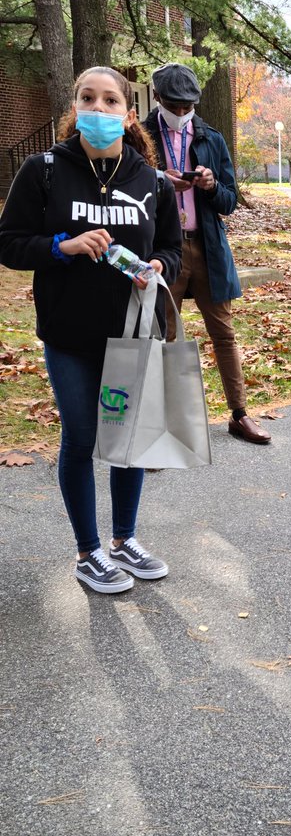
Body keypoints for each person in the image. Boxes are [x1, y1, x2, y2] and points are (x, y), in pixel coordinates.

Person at [0, 67, 182, 594]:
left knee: (128, 441)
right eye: (87, 98)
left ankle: (124, 540)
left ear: (129, 114)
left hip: (131, 334)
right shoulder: (45, 171)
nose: (98, 109)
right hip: (69, 336)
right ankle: (89, 552)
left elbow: (170, 246)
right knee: (80, 438)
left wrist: (161, 267)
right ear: (74, 106)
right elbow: (8, 242)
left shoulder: (150, 182)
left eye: (109, 101)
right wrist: (62, 246)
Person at [143, 62, 271, 445]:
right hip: (163, 250)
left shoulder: (211, 138)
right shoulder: (140, 136)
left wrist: (212, 186)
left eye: (189, 107)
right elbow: (120, 193)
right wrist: (157, 179)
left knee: (224, 335)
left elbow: (230, 201)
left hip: (208, 247)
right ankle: (158, 426)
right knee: (162, 336)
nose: (182, 113)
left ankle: (239, 415)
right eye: (174, 105)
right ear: (157, 98)